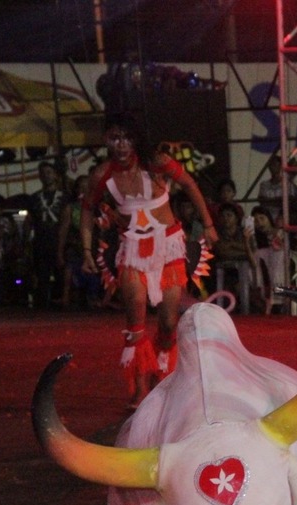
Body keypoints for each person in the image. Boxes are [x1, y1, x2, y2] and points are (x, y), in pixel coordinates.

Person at [81, 111, 218, 409]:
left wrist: (207, 224)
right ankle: (140, 389)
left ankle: (162, 379)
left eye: (127, 138)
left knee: (168, 323)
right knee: (136, 325)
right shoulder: (101, 174)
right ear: (106, 140)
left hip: (168, 249)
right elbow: (87, 210)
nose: (121, 145)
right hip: (131, 252)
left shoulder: (156, 163)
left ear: (136, 139)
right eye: (115, 138)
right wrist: (87, 251)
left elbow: (191, 185)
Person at [57, 173, 103, 309]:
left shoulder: (99, 207)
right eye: (80, 187)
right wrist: (59, 252)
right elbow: (63, 231)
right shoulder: (71, 208)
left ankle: (93, 297)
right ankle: (66, 296)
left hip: (94, 245)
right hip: (75, 245)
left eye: (87, 187)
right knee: (70, 269)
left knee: (95, 271)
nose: (83, 190)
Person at [27, 161, 68, 308]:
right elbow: (29, 221)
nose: (46, 176)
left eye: (49, 172)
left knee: (59, 274)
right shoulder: (34, 198)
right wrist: (26, 241)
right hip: (40, 240)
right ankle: (42, 305)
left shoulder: (64, 197)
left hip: (57, 239)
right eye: (43, 173)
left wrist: (60, 247)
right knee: (41, 275)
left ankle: (59, 304)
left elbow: (65, 221)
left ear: (56, 175)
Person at [250, 205, 286, 314]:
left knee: (277, 254)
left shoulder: (280, 232)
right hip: (265, 273)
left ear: (269, 218)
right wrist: (248, 240)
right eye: (255, 220)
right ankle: (263, 296)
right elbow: (252, 259)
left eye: (262, 218)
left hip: (283, 269)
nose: (259, 223)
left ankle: (278, 296)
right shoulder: (255, 238)